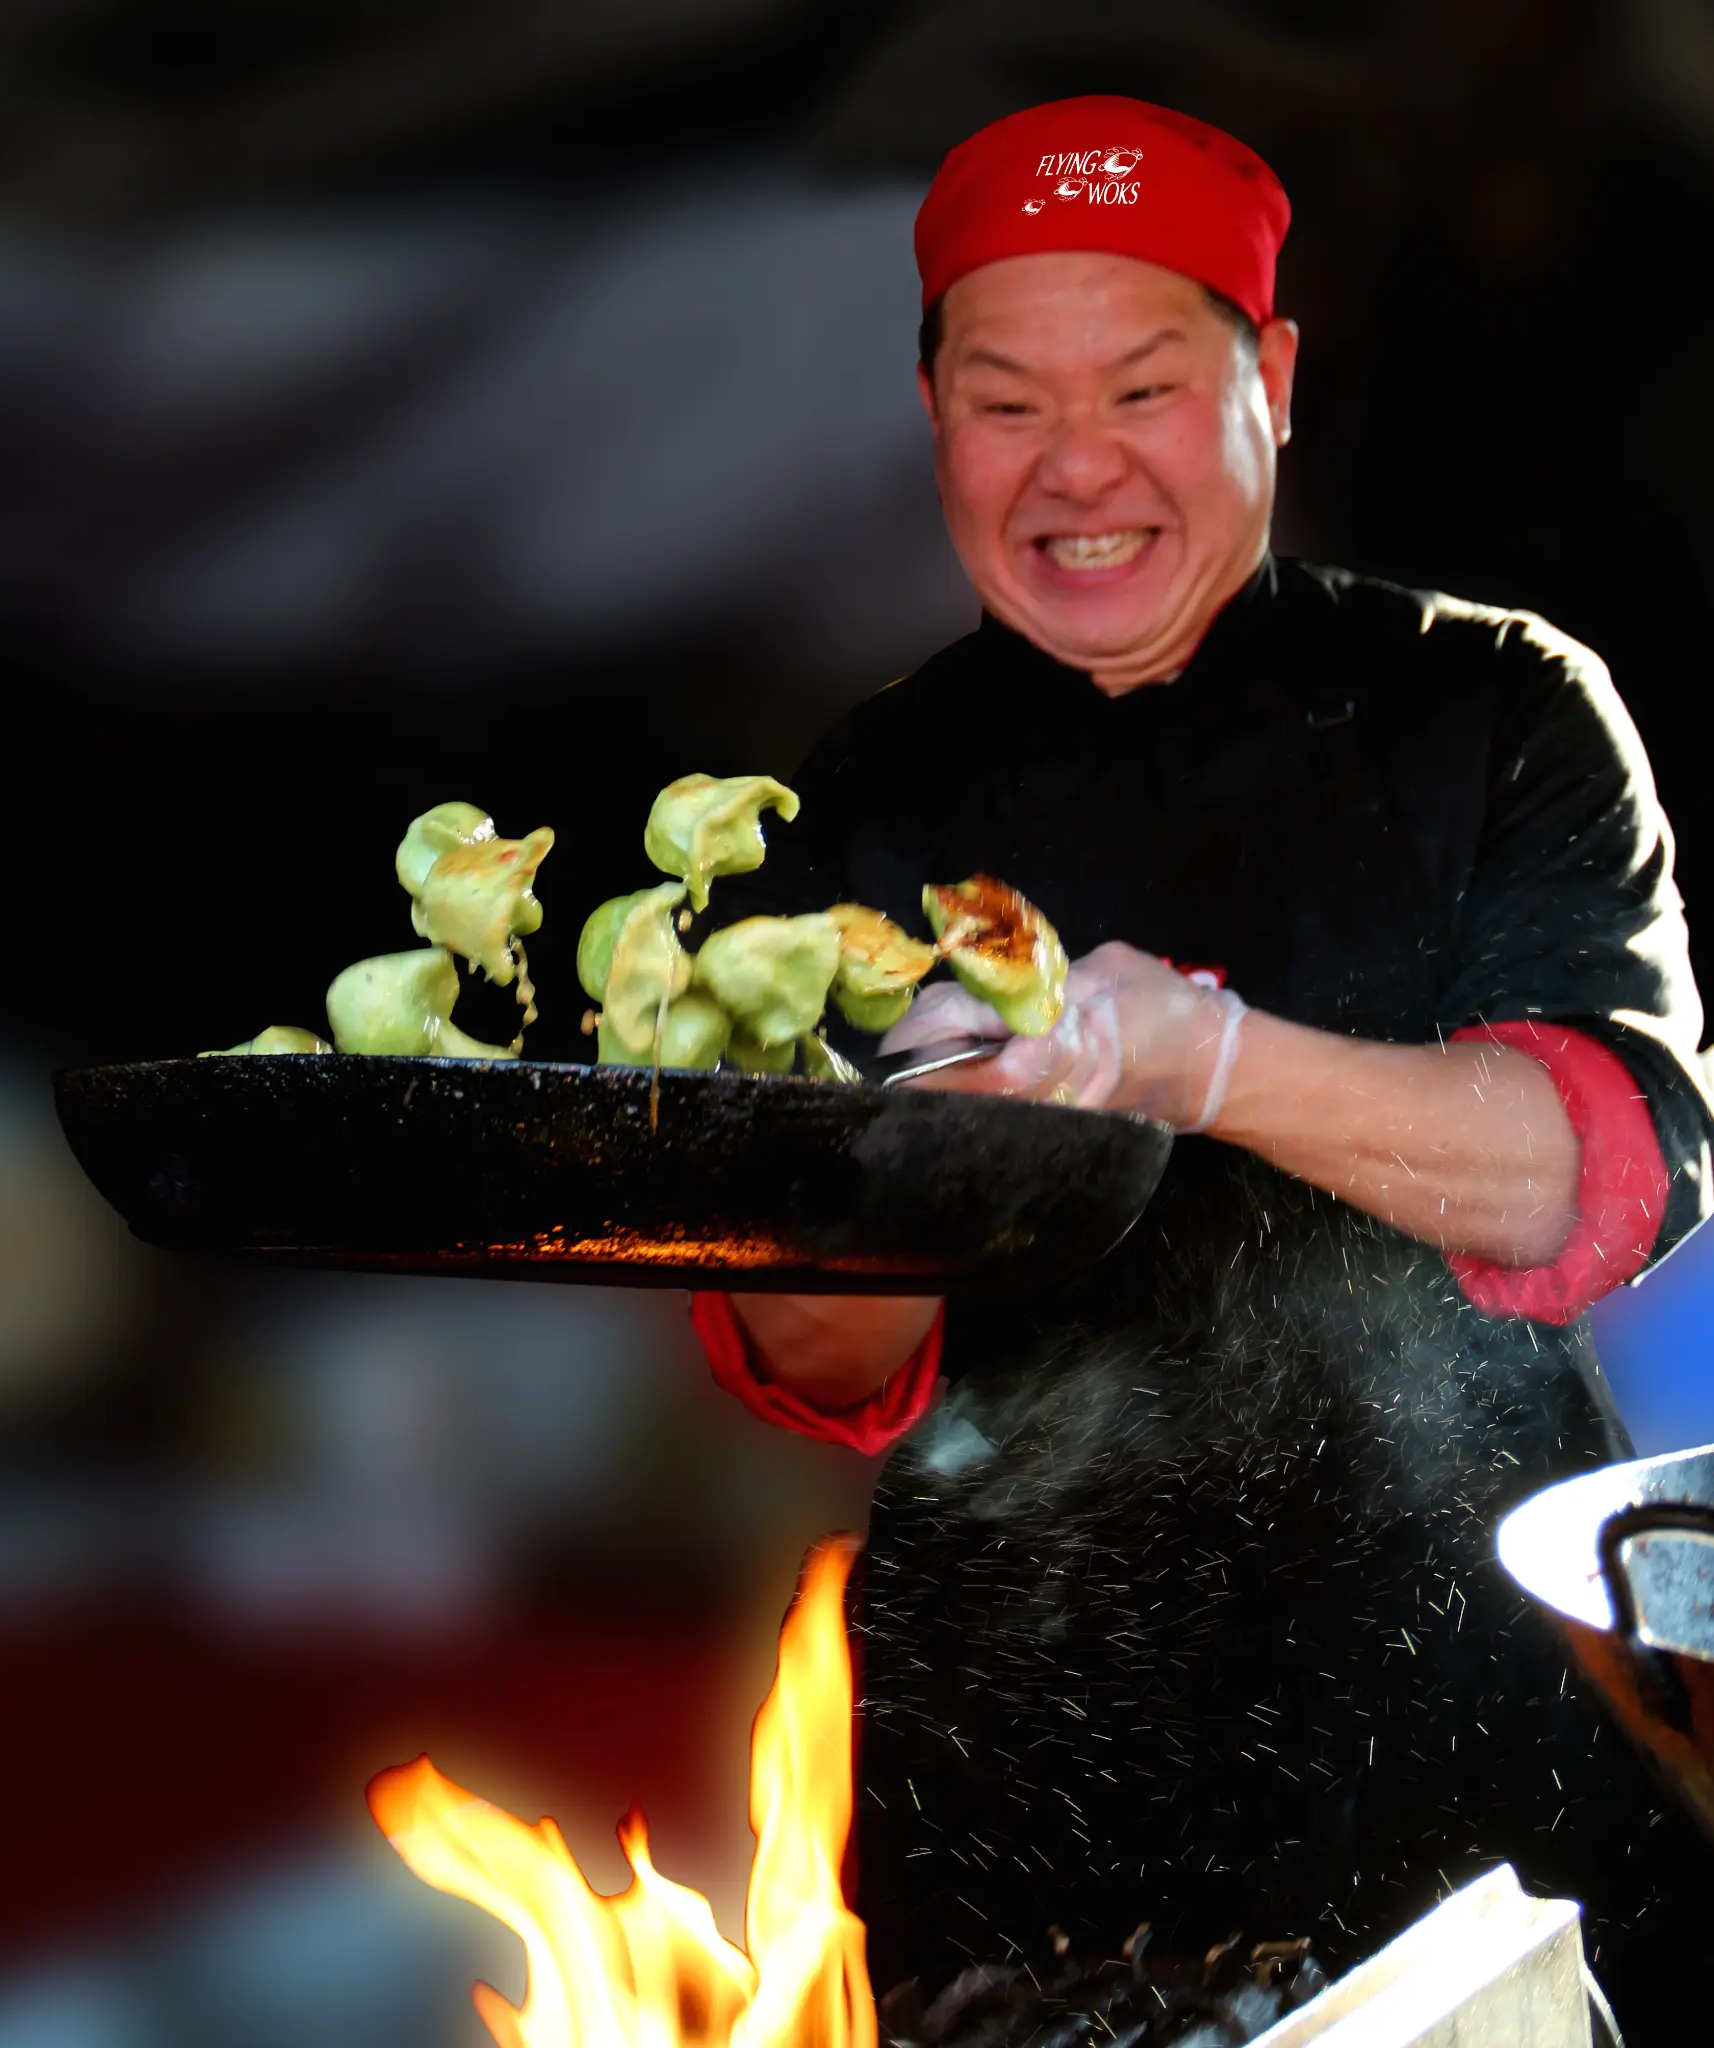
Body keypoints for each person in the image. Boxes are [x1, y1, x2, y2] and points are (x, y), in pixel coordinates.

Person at [690, 97, 1713, 2039]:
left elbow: (1592, 1186)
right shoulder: (852, 803)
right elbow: (813, 1360)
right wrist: (903, 1169)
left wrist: (1200, 1054)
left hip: (1483, 1753)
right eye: (1005, 401)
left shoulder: (1497, 704)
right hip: (1003, 1780)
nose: (1075, 466)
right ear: (930, 417)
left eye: (1144, 385)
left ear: (1274, 376)